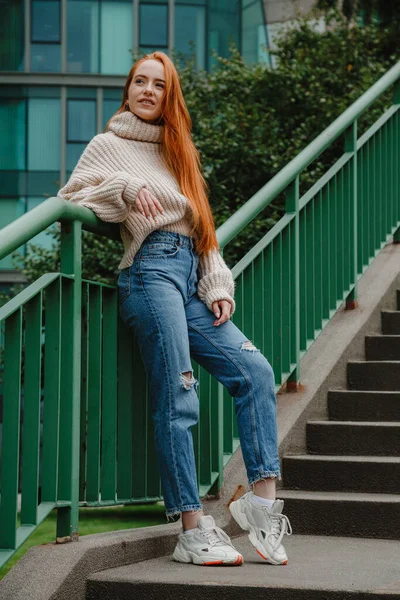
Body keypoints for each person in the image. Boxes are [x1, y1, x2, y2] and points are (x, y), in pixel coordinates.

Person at [57, 51, 292, 567]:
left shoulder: (179, 150)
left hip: (189, 278)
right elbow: (72, 195)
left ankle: (261, 506)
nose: (146, 90)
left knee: (255, 369)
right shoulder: (108, 145)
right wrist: (122, 187)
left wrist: (215, 280)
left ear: (170, 96)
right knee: (181, 393)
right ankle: (190, 525)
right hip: (149, 274)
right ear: (127, 90)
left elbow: (203, 228)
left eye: (157, 85)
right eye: (138, 81)